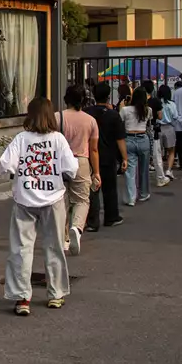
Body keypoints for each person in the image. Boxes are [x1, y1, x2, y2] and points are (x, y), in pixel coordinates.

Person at [0, 97, 78, 315]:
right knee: (53, 247)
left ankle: (22, 298)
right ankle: (56, 294)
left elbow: (6, 163)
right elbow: (71, 168)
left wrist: (18, 174)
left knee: (21, 249)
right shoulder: (58, 139)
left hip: (24, 199)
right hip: (53, 199)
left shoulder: (21, 138)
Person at [58, 85, 99, 255]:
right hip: (81, 160)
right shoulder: (90, 120)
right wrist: (96, 172)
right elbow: (94, 149)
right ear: (83, 101)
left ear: (65, 99)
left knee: (61, 201)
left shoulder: (56, 117)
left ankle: (63, 238)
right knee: (82, 200)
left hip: (59, 161)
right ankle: (77, 228)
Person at [88, 82, 126, 230]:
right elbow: (120, 139)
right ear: (109, 96)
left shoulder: (87, 112)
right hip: (108, 155)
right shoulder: (113, 115)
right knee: (110, 188)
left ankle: (92, 220)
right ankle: (111, 217)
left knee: (93, 189)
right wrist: (124, 158)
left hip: (90, 154)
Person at [120, 86, 153, 206]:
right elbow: (149, 123)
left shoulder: (125, 110)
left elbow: (120, 122)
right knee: (144, 169)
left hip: (129, 139)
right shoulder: (148, 110)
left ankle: (131, 197)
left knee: (130, 170)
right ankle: (143, 194)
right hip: (143, 139)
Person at [156, 84, 178, 183]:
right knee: (171, 151)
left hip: (158, 128)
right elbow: (175, 116)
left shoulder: (157, 103)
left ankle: (160, 171)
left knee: (158, 152)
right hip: (169, 127)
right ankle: (168, 170)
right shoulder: (171, 104)